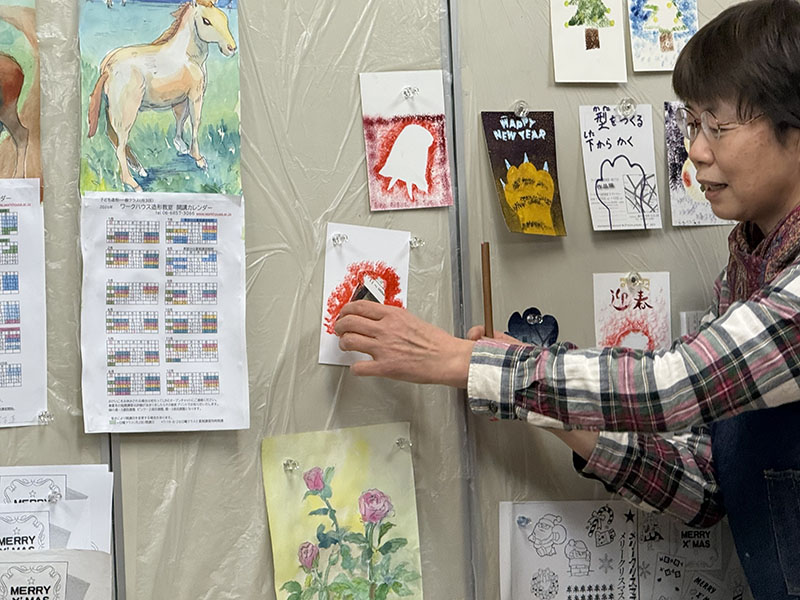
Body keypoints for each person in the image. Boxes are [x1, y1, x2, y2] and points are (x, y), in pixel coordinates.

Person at [334, 0, 800, 597]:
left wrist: (462, 361)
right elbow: (706, 485)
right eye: (691, 123)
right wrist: (553, 410)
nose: (696, 150)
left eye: (718, 126)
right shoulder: (749, 270)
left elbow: (670, 386)